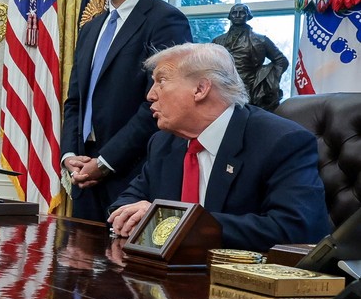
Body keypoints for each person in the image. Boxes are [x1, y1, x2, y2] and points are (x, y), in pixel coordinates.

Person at [107, 43, 331, 251]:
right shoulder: (163, 143)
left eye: (161, 81)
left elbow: (294, 229)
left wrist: (177, 223)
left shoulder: (281, 141)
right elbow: (127, 201)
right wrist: (135, 215)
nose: (150, 95)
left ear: (201, 89)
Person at [60, 0, 192, 221]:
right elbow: (75, 102)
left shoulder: (165, 20)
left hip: (131, 179)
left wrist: (105, 163)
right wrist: (70, 156)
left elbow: (158, 104)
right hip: (83, 177)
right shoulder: (92, 28)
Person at [212, 4, 290, 112]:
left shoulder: (261, 40)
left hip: (250, 89)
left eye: (242, 12)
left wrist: (267, 80)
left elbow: (281, 61)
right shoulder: (217, 41)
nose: (238, 15)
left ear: (248, 16)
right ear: (230, 16)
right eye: (234, 13)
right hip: (224, 90)